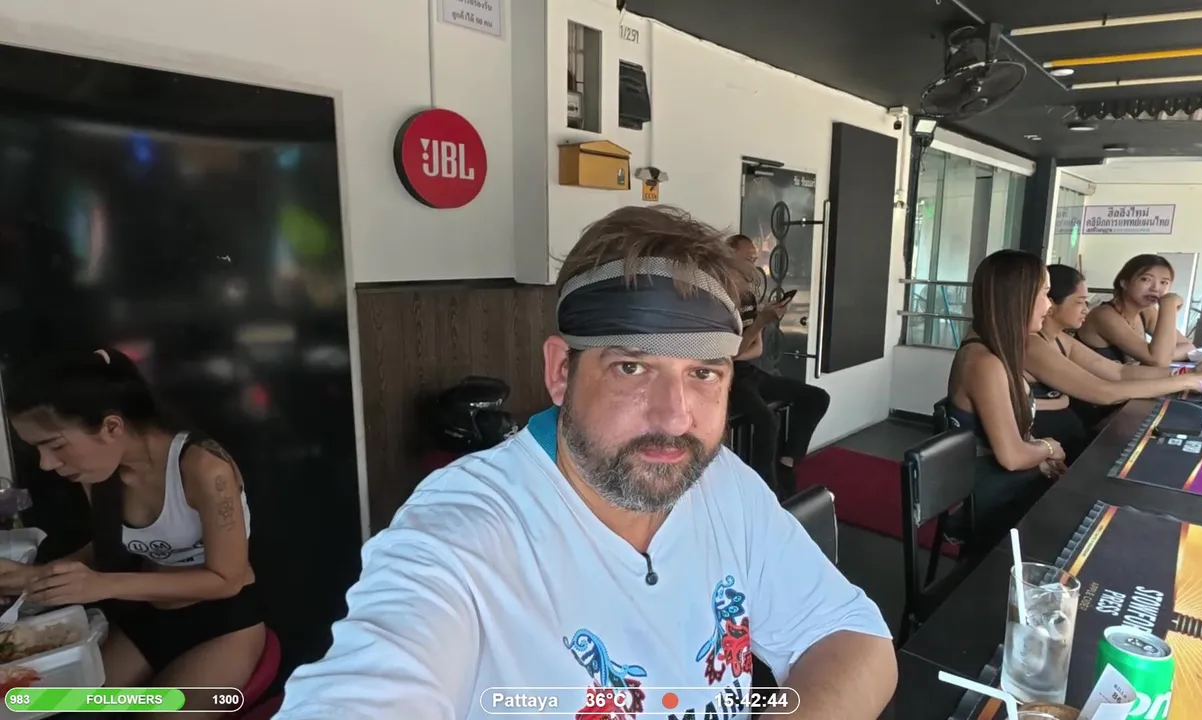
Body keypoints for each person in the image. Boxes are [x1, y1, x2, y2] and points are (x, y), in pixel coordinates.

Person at [275, 206, 896, 720]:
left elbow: (853, 638)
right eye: (632, 367)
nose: (674, 417)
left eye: (703, 374)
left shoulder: (723, 482)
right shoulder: (461, 534)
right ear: (560, 372)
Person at [0, 349, 263, 716]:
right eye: (37, 449)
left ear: (112, 427)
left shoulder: (205, 469)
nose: (47, 463)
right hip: (151, 619)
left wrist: (103, 585)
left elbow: (226, 580)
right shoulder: (98, 471)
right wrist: (36, 577)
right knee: (69, 709)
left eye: (55, 445)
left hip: (225, 622)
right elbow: (109, 546)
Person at [1027, 265, 1202, 448]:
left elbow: (1120, 372)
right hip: (1058, 444)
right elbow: (1103, 391)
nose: (1086, 309)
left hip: (1073, 435)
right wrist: (1189, 381)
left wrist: (1190, 372)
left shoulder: (1060, 339)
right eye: (1080, 302)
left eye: (1164, 282)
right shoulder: (1031, 344)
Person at [945, 250, 1063, 550]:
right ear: (1017, 298)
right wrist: (1049, 447)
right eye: (1045, 293)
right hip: (990, 499)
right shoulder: (984, 363)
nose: (1049, 306)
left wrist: (1039, 457)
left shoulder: (995, 351)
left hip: (998, 486)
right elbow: (1012, 457)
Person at [725, 234, 831, 498]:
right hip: (728, 378)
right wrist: (760, 323)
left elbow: (756, 349)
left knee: (817, 397)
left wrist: (751, 333)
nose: (753, 266)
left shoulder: (749, 296)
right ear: (729, 256)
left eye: (754, 259)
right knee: (767, 422)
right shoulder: (722, 298)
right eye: (747, 259)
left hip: (749, 372)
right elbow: (729, 354)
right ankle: (767, 492)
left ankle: (787, 462)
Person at [1076, 254, 1195, 366]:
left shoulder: (1146, 312)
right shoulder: (1104, 315)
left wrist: (1164, 355)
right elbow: (1159, 360)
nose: (1156, 288)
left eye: (1164, 282)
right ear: (1124, 283)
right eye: (1146, 279)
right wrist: (1168, 307)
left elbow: (1189, 348)